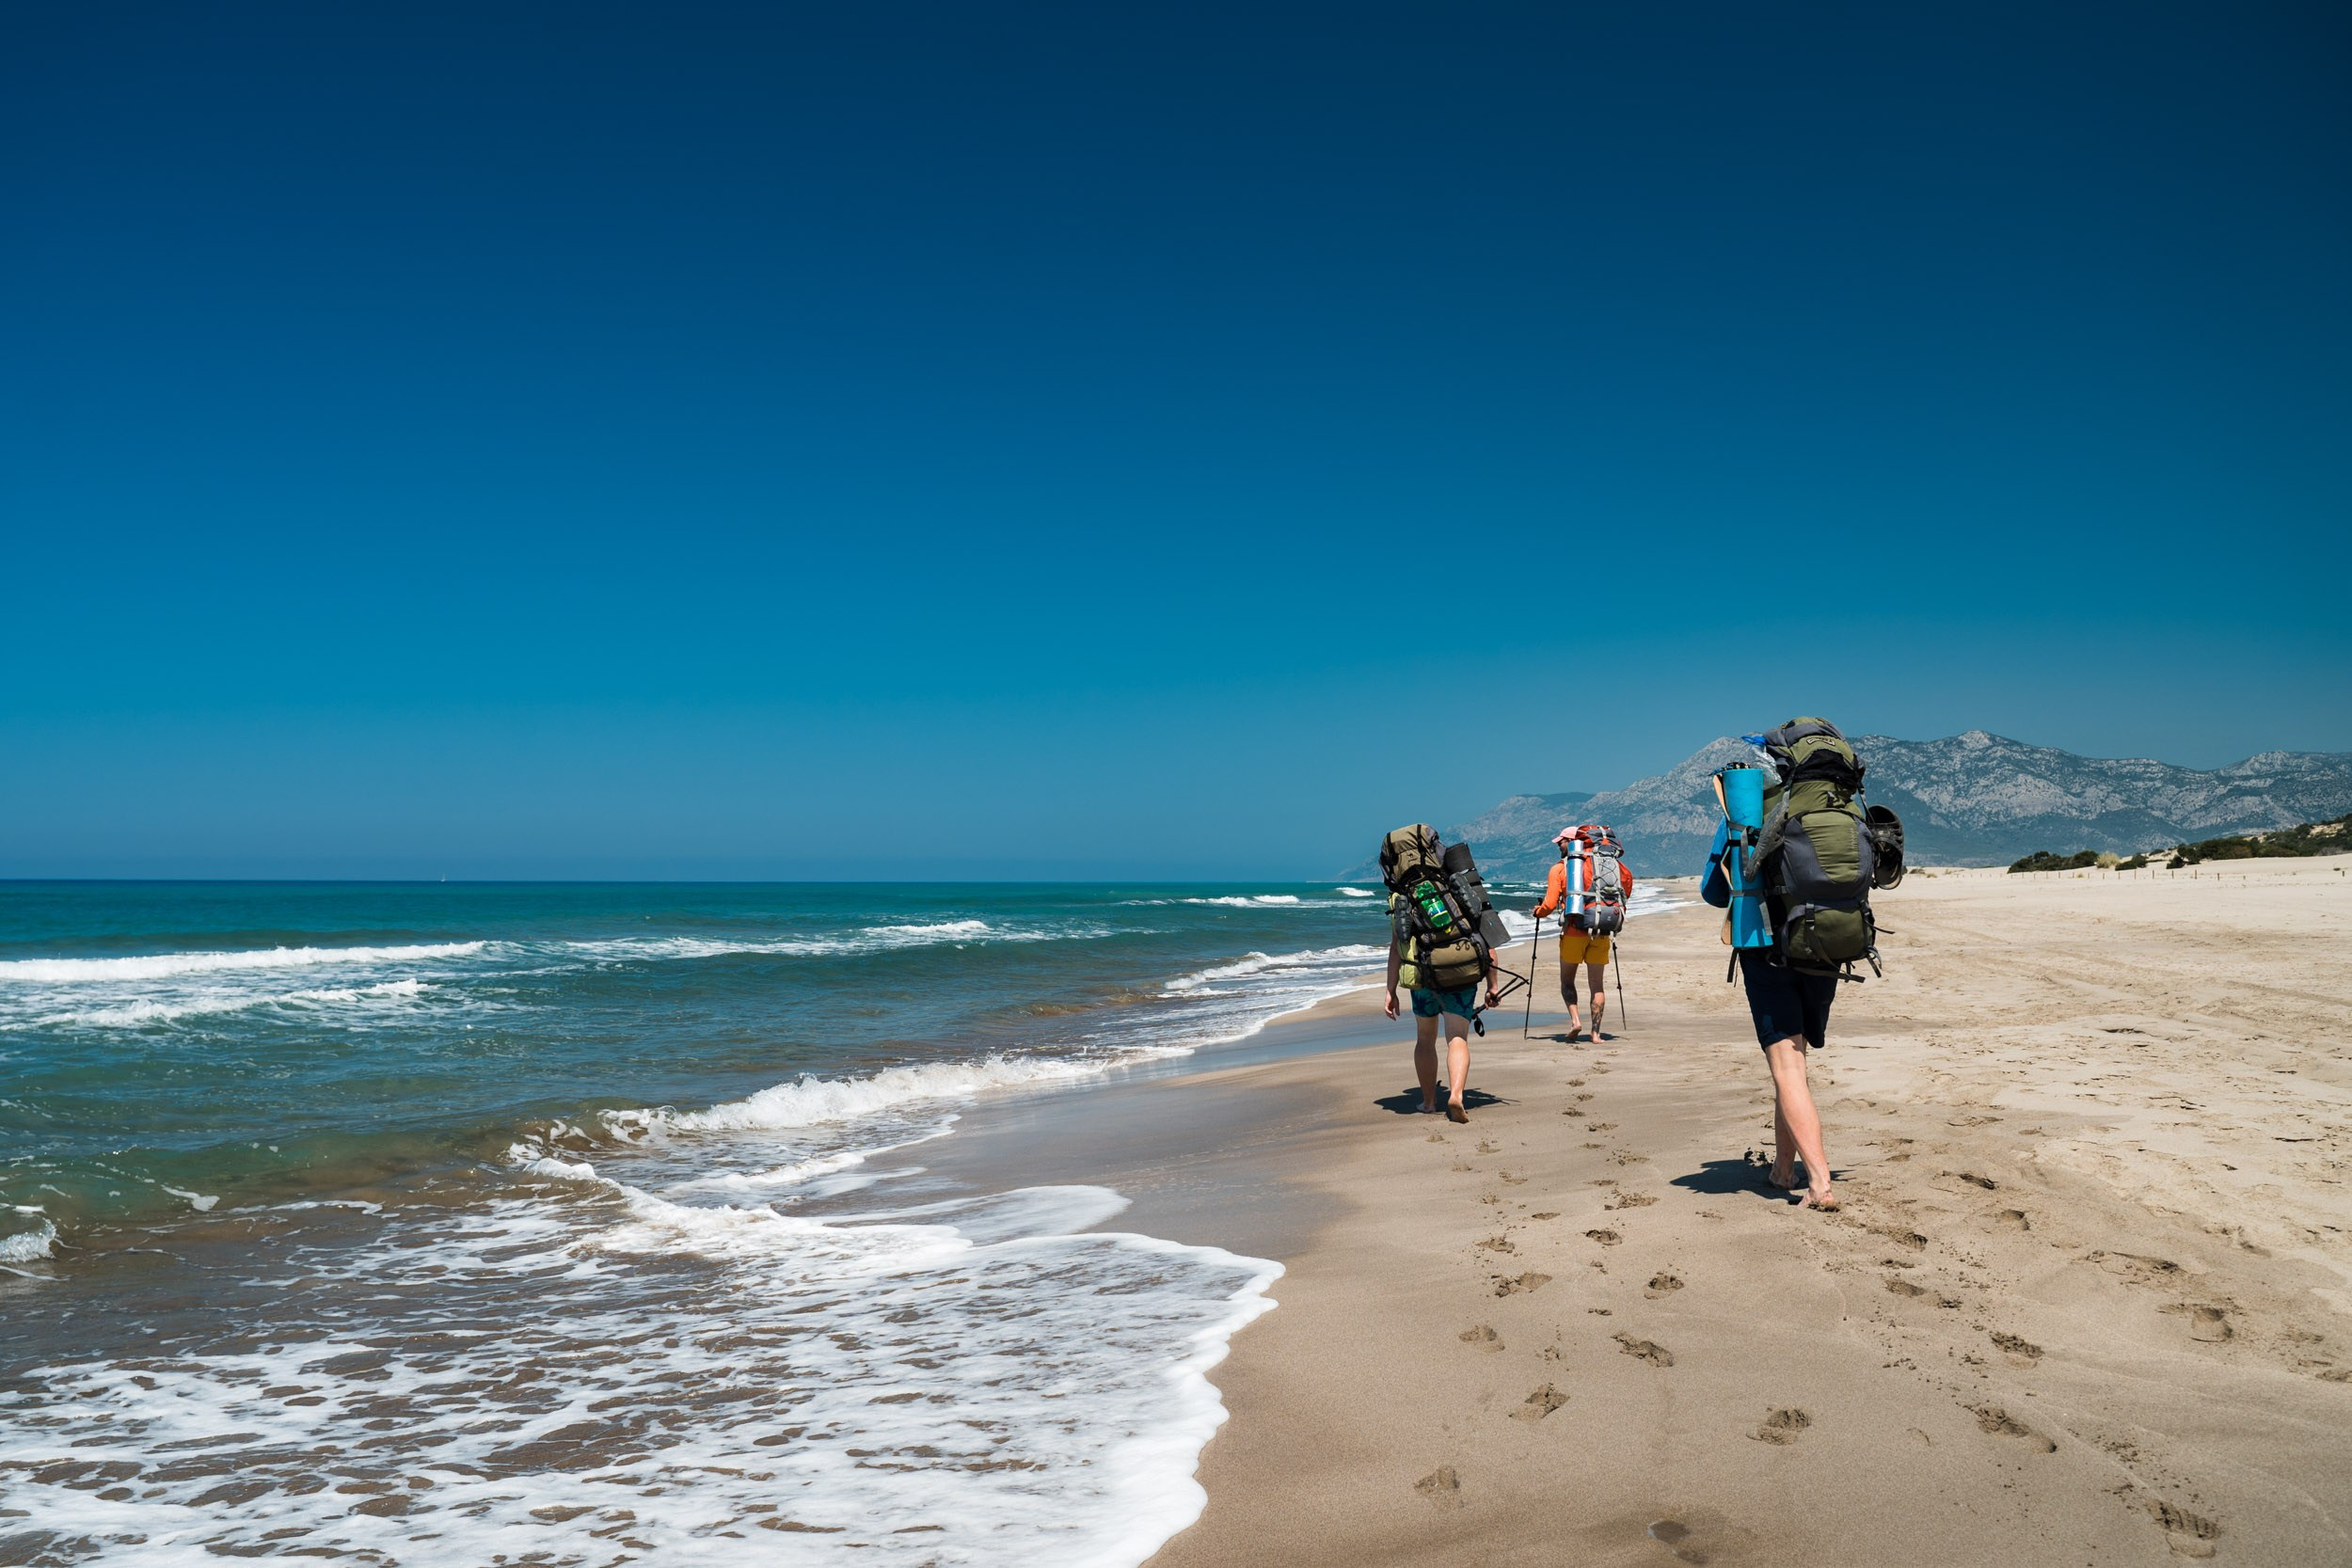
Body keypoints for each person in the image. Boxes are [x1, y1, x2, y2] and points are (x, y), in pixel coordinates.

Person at [1701, 813, 1839, 1210]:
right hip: (1826, 941)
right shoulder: (1828, 804)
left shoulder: (1745, 809)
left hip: (1767, 950)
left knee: (1788, 1066)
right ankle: (1783, 1169)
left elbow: (1713, 891)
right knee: (1796, 1060)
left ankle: (1819, 1183)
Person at [1384, 894, 1503, 1122]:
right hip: (1462, 973)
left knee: (1425, 1038)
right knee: (1457, 1038)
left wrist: (1391, 991)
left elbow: (1397, 946)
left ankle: (1428, 1103)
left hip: (1424, 976)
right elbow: (1488, 944)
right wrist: (1493, 986)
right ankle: (1456, 1095)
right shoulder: (1463, 887)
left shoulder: (1404, 894)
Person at [1531, 828, 1625, 1041]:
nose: (1558, 845)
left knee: (1567, 981)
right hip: (1601, 930)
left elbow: (1549, 904)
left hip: (1573, 931)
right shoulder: (1610, 866)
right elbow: (1623, 891)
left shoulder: (1561, 868)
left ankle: (1575, 1021)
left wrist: (1538, 912)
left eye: (1561, 842)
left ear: (1573, 842)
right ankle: (1596, 1032)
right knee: (1597, 985)